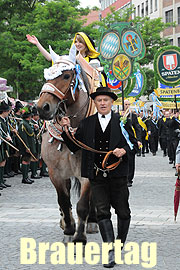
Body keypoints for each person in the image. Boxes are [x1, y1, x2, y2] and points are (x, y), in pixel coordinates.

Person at [60, 86, 138, 268]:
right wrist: (65, 130)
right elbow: (74, 146)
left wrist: (123, 150)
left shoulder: (122, 121)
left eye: (106, 100)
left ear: (111, 102)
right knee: (102, 212)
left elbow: (135, 145)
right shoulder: (87, 123)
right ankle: (110, 250)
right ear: (95, 103)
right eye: (99, 100)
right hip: (96, 176)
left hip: (118, 175)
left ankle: (118, 245)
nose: (102, 103)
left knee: (123, 212)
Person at [26, 32, 107, 86]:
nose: (77, 44)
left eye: (80, 42)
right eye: (75, 42)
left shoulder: (93, 60)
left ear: (86, 44)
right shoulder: (71, 59)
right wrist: (37, 44)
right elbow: (51, 58)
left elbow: (99, 80)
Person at [122, 99, 141, 187]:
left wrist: (139, 140)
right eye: (125, 104)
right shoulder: (117, 115)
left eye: (128, 104)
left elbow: (137, 128)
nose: (127, 106)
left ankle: (129, 179)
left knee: (130, 160)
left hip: (130, 141)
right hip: (120, 141)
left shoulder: (132, 116)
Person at [17, 105, 36, 184]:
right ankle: (24, 178)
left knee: (28, 160)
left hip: (30, 145)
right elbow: (23, 137)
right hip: (26, 146)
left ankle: (27, 177)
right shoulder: (22, 124)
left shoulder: (27, 123)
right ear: (28, 116)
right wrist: (26, 147)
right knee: (25, 160)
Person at [0, 100, 12, 193]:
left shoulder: (5, 120)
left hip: (4, 143)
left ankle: (1, 181)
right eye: (8, 111)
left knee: (3, 161)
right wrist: (5, 137)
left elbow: (6, 130)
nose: (9, 113)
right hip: (1, 143)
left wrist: (8, 136)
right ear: (4, 111)